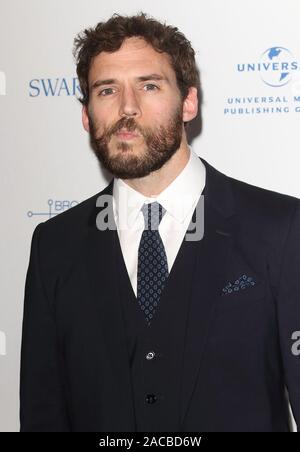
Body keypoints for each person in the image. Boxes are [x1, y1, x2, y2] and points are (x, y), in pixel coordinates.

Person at [20, 12, 300, 432]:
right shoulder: (53, 247)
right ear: (86, 115)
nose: (127, 107)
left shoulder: (281, 229)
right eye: (107, 89)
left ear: (189, 102)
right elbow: (43, 415)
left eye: (149, 85)